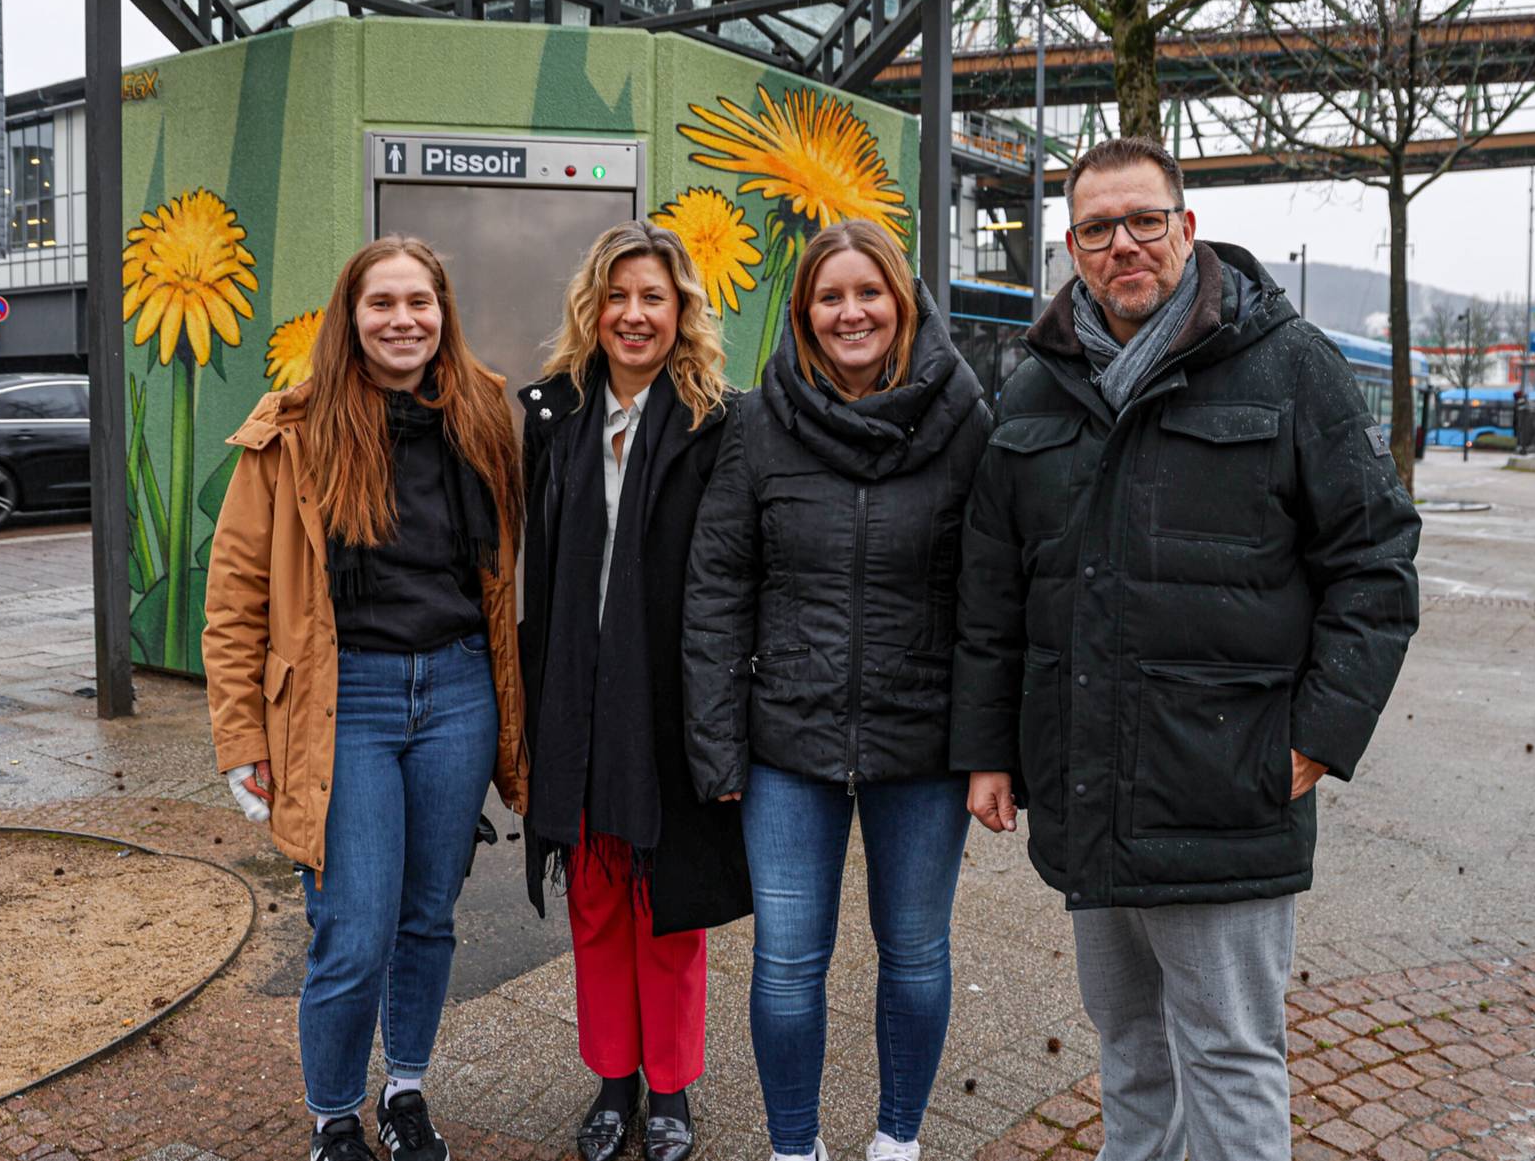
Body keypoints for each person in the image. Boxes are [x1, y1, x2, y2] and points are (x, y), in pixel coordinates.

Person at [949, 136, 1421, 1161]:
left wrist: (1318, 737)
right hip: (1090, 782)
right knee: (1129, 1048)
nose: (1125, 243)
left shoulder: (1291, 365)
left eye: (1144, 220)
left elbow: (1377, 561)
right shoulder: (1034, 392)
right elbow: (993, 593)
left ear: (1187, 226)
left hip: (1229, 782)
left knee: (1231, 1052)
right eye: (1098, 228)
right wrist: (988, 749)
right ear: (1071, 247)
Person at [203, 235, 528, 1161]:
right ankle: (334, 1114)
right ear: (350, 317)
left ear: (443, 312)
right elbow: (235, 599)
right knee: (353, 927)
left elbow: (500, 577)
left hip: (459, 691)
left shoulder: (482, 412)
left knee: (428, 917)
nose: (402, 320)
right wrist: (240, 738)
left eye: (418, 302)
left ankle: (407, 1091)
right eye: (381, 303)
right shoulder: (293, 430)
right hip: (347, 706)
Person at [682, 219, 991, 1161]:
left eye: (869, 292)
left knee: (916, 952)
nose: (850, 311)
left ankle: (897, 1141)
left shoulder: (966, 418)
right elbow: (717, 586)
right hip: (789, 743)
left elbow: (992, 595)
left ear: (902, 300)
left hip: (925, 742)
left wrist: (990, 748)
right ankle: (794, 1147)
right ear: (804, 313)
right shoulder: (758, 423)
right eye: (830, 296)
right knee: (784, 964)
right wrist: (717, 741)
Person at [518, 221, 750, 1161]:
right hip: (573, 698)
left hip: (668, 702)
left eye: (653, 296)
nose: (633, 314)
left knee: (668, 902)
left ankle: (674, 1091)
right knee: (597, 898)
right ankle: (614, 1079)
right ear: (593, 308)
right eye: (617, 296)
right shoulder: (553, 416)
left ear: (682, 309)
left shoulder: (719, 420)